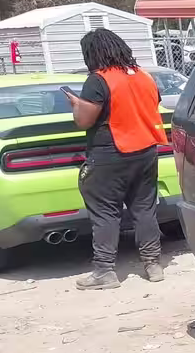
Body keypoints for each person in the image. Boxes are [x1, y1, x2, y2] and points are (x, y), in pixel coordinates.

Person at [64, 28, 167, 289]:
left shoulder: (98, 80)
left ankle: (104, 271)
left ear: (92, 54)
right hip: (146, 151)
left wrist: (77, 105)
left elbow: (84, 121)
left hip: (111, 153)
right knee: (144, 209)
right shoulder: (143, 76)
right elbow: (150, 105)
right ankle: (153, 263)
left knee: (106, 212)